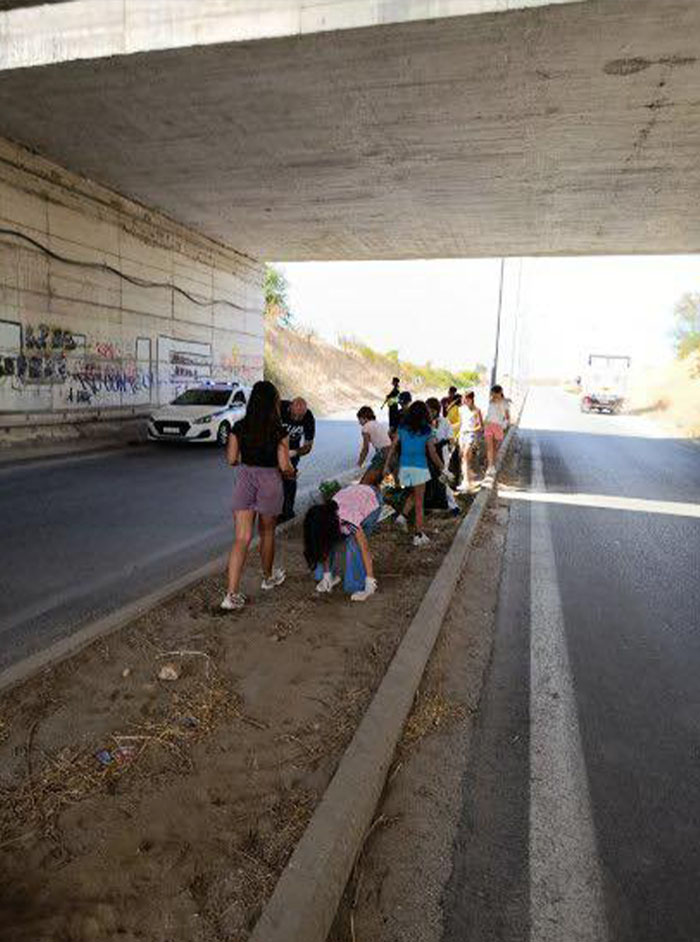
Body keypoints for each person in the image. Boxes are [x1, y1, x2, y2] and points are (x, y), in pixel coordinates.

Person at [221, 380, 294, 611]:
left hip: (245, 480)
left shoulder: (238, 428)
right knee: (267, 532)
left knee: (241, 538)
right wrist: (291, 470)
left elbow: (232, 460)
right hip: (270, 481)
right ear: (273, 403)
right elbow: (285, 466)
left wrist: (249, 460)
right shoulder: (279, 431)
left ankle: (230, 595)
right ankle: (268, 577)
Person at [303, 483, 382, 602]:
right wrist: (326, 574)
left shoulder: (348, 519)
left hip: (372, 498)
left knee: (353, 544)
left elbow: (364, 548)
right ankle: (329, 576)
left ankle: (358, 584)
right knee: (324, 541)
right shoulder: (327, 517)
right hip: (353, 496)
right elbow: (322, 544)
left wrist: (370, 582)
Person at [383, 400, 444, 546]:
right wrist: (443, 468)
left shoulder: (402, 428)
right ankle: (418, 535)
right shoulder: (427, 430)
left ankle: (402, 517)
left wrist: (387, 466)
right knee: (419, 502)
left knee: (414, 494)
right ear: (424, 414)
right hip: (419, 468)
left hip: (405, 468)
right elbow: (432, 452)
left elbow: (392, 447)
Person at [279, 397, 316, 521]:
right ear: (290, 408)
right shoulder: (280, 408)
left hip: (292, 451)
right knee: (271, 478)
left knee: (289, 478)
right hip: (274, 448)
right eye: (295, 416)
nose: (297, 419)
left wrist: (294, 453)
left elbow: (308, 446)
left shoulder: (308, 417)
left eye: (300, 417)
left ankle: (288, 511)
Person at [426, 397, 460, 515]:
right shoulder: (426, 423)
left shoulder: (444, 422)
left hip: (442, 452)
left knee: (443, 477)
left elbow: (451, 438)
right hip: (430, 453)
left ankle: (453, 505)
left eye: (430, 410)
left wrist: (444, 444)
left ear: (435, 410)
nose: (428, 413)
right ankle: (432, 504)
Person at [356, 405, 392, 486]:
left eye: (359, 419)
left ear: (365, 417)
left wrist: (359, 464)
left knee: (363, 484)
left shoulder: (366, 427)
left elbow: (365, 449)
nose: (359, 422)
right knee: (376, 483)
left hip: (383, 455)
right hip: (392, 455)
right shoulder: (377, 423)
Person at [458, 390, 484, 492]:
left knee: (465, 455)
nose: (464, 401)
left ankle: (466, 481)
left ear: (471, 399)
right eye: (463, 399)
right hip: (462, 434)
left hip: (471, 434)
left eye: (466, 399)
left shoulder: (477, 410)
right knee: (464, 458)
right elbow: (461, 423)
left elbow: (481, 426)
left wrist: (471, 430)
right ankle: (467, 477)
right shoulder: (461, 409)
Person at [484, 384, 511, 475]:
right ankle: (489, 467)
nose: (493, 395)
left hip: (498, 426)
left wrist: (504, 426)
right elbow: (488, 414)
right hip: (489, 425)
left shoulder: (504, 403)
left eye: (495, 393)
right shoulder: (491, 402)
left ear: (500, 393)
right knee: (489, 448)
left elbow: (507, 417)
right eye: (492, 393)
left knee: (494, 448)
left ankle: (492, 465)